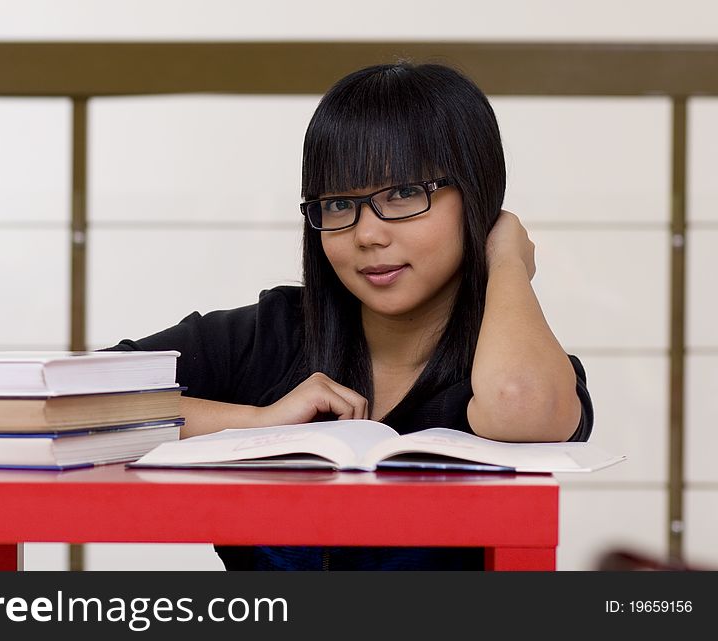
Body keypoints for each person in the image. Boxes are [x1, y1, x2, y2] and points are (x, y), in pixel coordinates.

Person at [105, 61, 594, 570]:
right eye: (339, 203)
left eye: (403, 194)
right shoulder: (272, 334)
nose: (366, 234)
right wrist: (258, 425)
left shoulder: (516, 364)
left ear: (477, 195)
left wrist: (508, 261)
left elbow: (520, 406)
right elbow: (61, 403)